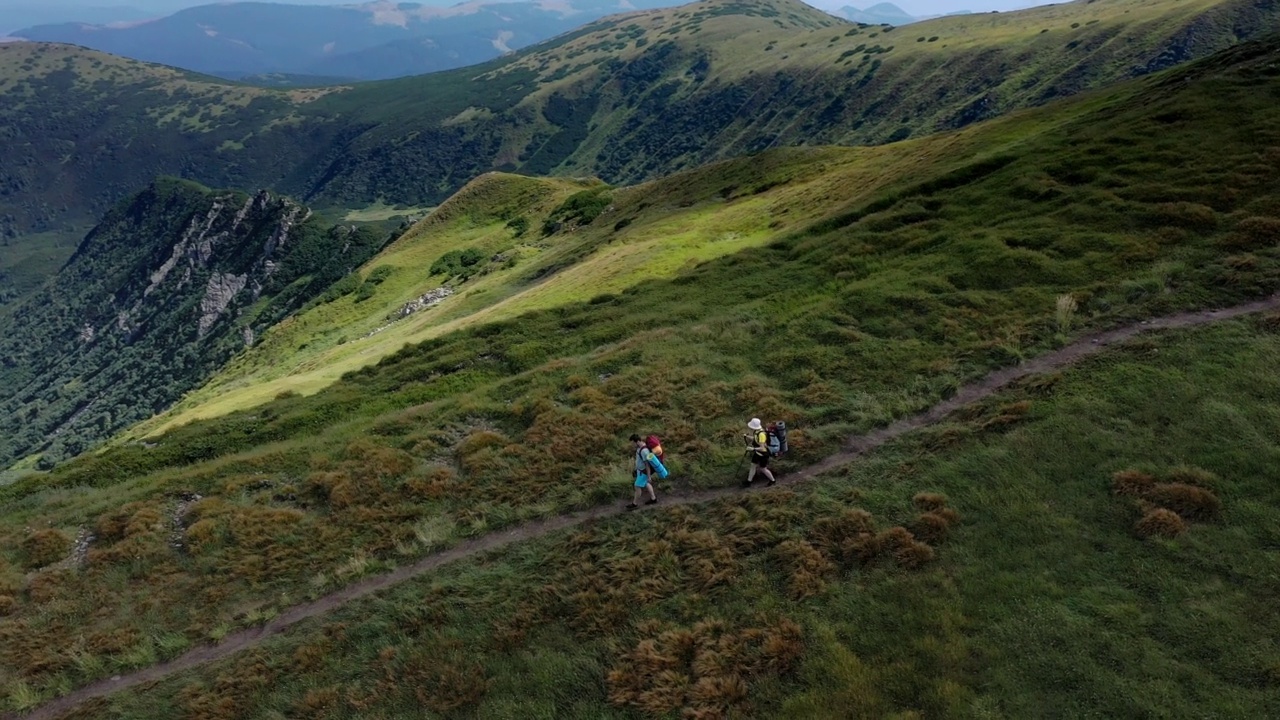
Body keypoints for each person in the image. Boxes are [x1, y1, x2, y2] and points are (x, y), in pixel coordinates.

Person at [627, 434, 659, 510]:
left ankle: (634, 504)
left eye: (633, 443)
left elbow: (647, 464)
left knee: (637, 486)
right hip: (640, 470)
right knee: (646, 484)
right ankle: (653, 499)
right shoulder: (640, 447)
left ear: (637, 441)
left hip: (643, 472)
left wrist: (648, 476)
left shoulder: (644, 451)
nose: (632, 445)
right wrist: (636, 469)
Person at [742, 418, 776, 488]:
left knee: (763, 469)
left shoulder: (761, 435)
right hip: (757, 453)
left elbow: (762, 448)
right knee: (753, 465)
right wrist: (747, 436)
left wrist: (752, 449)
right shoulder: (757, 432)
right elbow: (755, 439)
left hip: (763, 454)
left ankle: (772, 480)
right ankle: (749, 482)